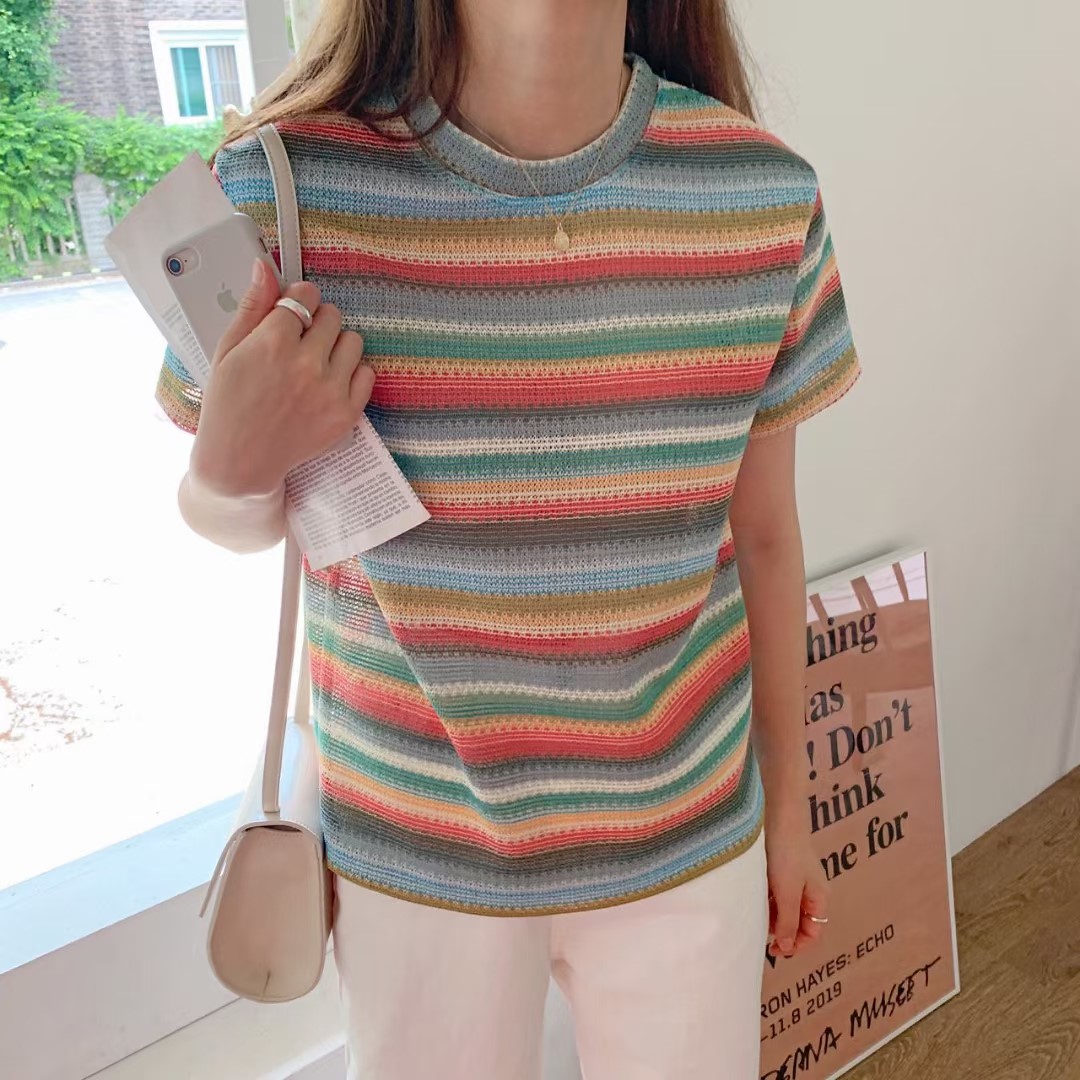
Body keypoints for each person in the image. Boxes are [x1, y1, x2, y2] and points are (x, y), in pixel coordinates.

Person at [156, 1, 862, 1076]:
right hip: (414, 853)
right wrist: (225, 469)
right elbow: (237, 519)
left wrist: (794, 812)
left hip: (688, 835)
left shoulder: (760, 198)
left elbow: (764, 537)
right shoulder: (278, 191)